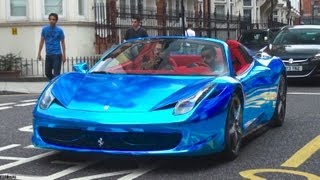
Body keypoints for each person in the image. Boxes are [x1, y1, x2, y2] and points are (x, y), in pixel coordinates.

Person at [37, 13, 66, 80]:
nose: (51, 21)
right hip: (48, 54)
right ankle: (54, 82)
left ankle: (54, 86)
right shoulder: (44, 30)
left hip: (57, 54)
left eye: (53, 19)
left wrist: (64, 55)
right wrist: (39, 53)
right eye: (50, 19)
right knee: (47, 73)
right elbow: (41, 42)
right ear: (48, 20)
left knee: (56, 74)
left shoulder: (59, 30)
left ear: (56, 21)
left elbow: (63, 43)